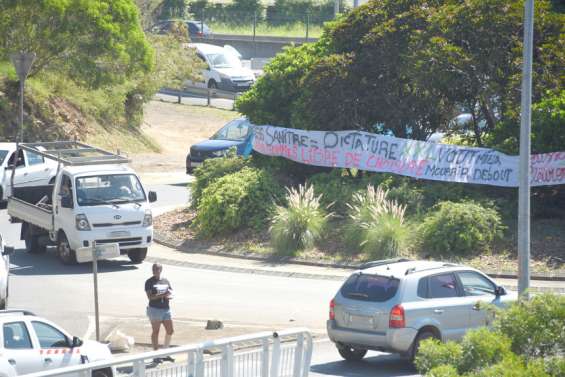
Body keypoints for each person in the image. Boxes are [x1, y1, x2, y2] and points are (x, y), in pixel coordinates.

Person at [145, 263, 174, 363]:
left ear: (161, 270)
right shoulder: (149, 282)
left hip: (166, 308)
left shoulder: (165, 280)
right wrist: (162, 294)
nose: (155, 270)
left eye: (157, 269)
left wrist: (169, 295)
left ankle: (165, 353)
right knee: (156, 331)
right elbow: (150, 297)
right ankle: (156, 355)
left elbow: (170, 292)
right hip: (155, 309)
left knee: (170, 330)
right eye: (154, 269)